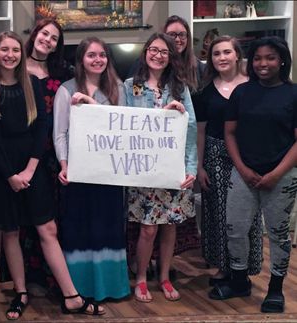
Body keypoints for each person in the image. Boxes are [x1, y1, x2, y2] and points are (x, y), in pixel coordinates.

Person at [0, 31, 103, 320]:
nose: (10, 54)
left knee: (48, 231)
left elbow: (41, 129)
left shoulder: (32, 83)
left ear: (21, 53)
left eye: (14, 50)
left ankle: (71, 295)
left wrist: (29, 170)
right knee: (11, 233)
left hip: (33, 169)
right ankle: (20, 292)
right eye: (4, 49)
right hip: (2, 173)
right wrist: (11, 175)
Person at [209, 36, 297, 314]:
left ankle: (275, 289)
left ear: (281, 60)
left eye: (270, 57)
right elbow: (230, 133)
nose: (263, 63)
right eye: (257, 58)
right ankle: (239, 281)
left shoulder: (293, 94)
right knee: (234, 228)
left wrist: (275, 173)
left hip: (281, 176)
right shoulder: (242, 93)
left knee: (278, 233)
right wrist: (243, 169)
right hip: (243, 173)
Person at [53, 36, 130, 302]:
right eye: (91, 55)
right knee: (81, 226)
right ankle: (82, 287)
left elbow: (123, 126)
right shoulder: (66, 89)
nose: (98, 60)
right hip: (79, 171)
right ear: (81, 60)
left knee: (109, 226)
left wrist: (88, 101)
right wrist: (64, 164)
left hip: (109, 172)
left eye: (102, 55)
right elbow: (60, 133)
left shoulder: (118, 88)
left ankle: (112, 286)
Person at [0, 18, 72, 294]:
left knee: (50, 220)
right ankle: (29, 280)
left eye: (54, 38)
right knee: (23, 222)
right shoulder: (15, 68)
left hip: (54, 153)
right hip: (24, 154)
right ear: (35, 35)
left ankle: (53, 280)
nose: (48, 40)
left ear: (57, 45)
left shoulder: (63, 72)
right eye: (45, 34)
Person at [124, 32, 197, 303]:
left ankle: (164, 276)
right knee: (148, 228)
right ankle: (142, 277)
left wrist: (190, 167)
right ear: (145, 53)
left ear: (171, 57)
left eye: (164, 52)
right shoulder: (131, 86)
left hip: (173, 169)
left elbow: (189, 129)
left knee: (169, 226)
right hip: (144, 170)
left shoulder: (180, 88)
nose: (158, 55)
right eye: (154, 50)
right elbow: (121, 124)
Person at [194, 36, 262, 286]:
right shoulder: (204, 91)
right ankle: (224, 267)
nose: (221, 58)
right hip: (214, 155)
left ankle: (243, 268)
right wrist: (199, 166)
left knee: (246, 216)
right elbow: (200, 131)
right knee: (218, 214)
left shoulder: (253, 86)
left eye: (226, 52)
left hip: (247, 156)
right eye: (215, 54)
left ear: (237, 55)